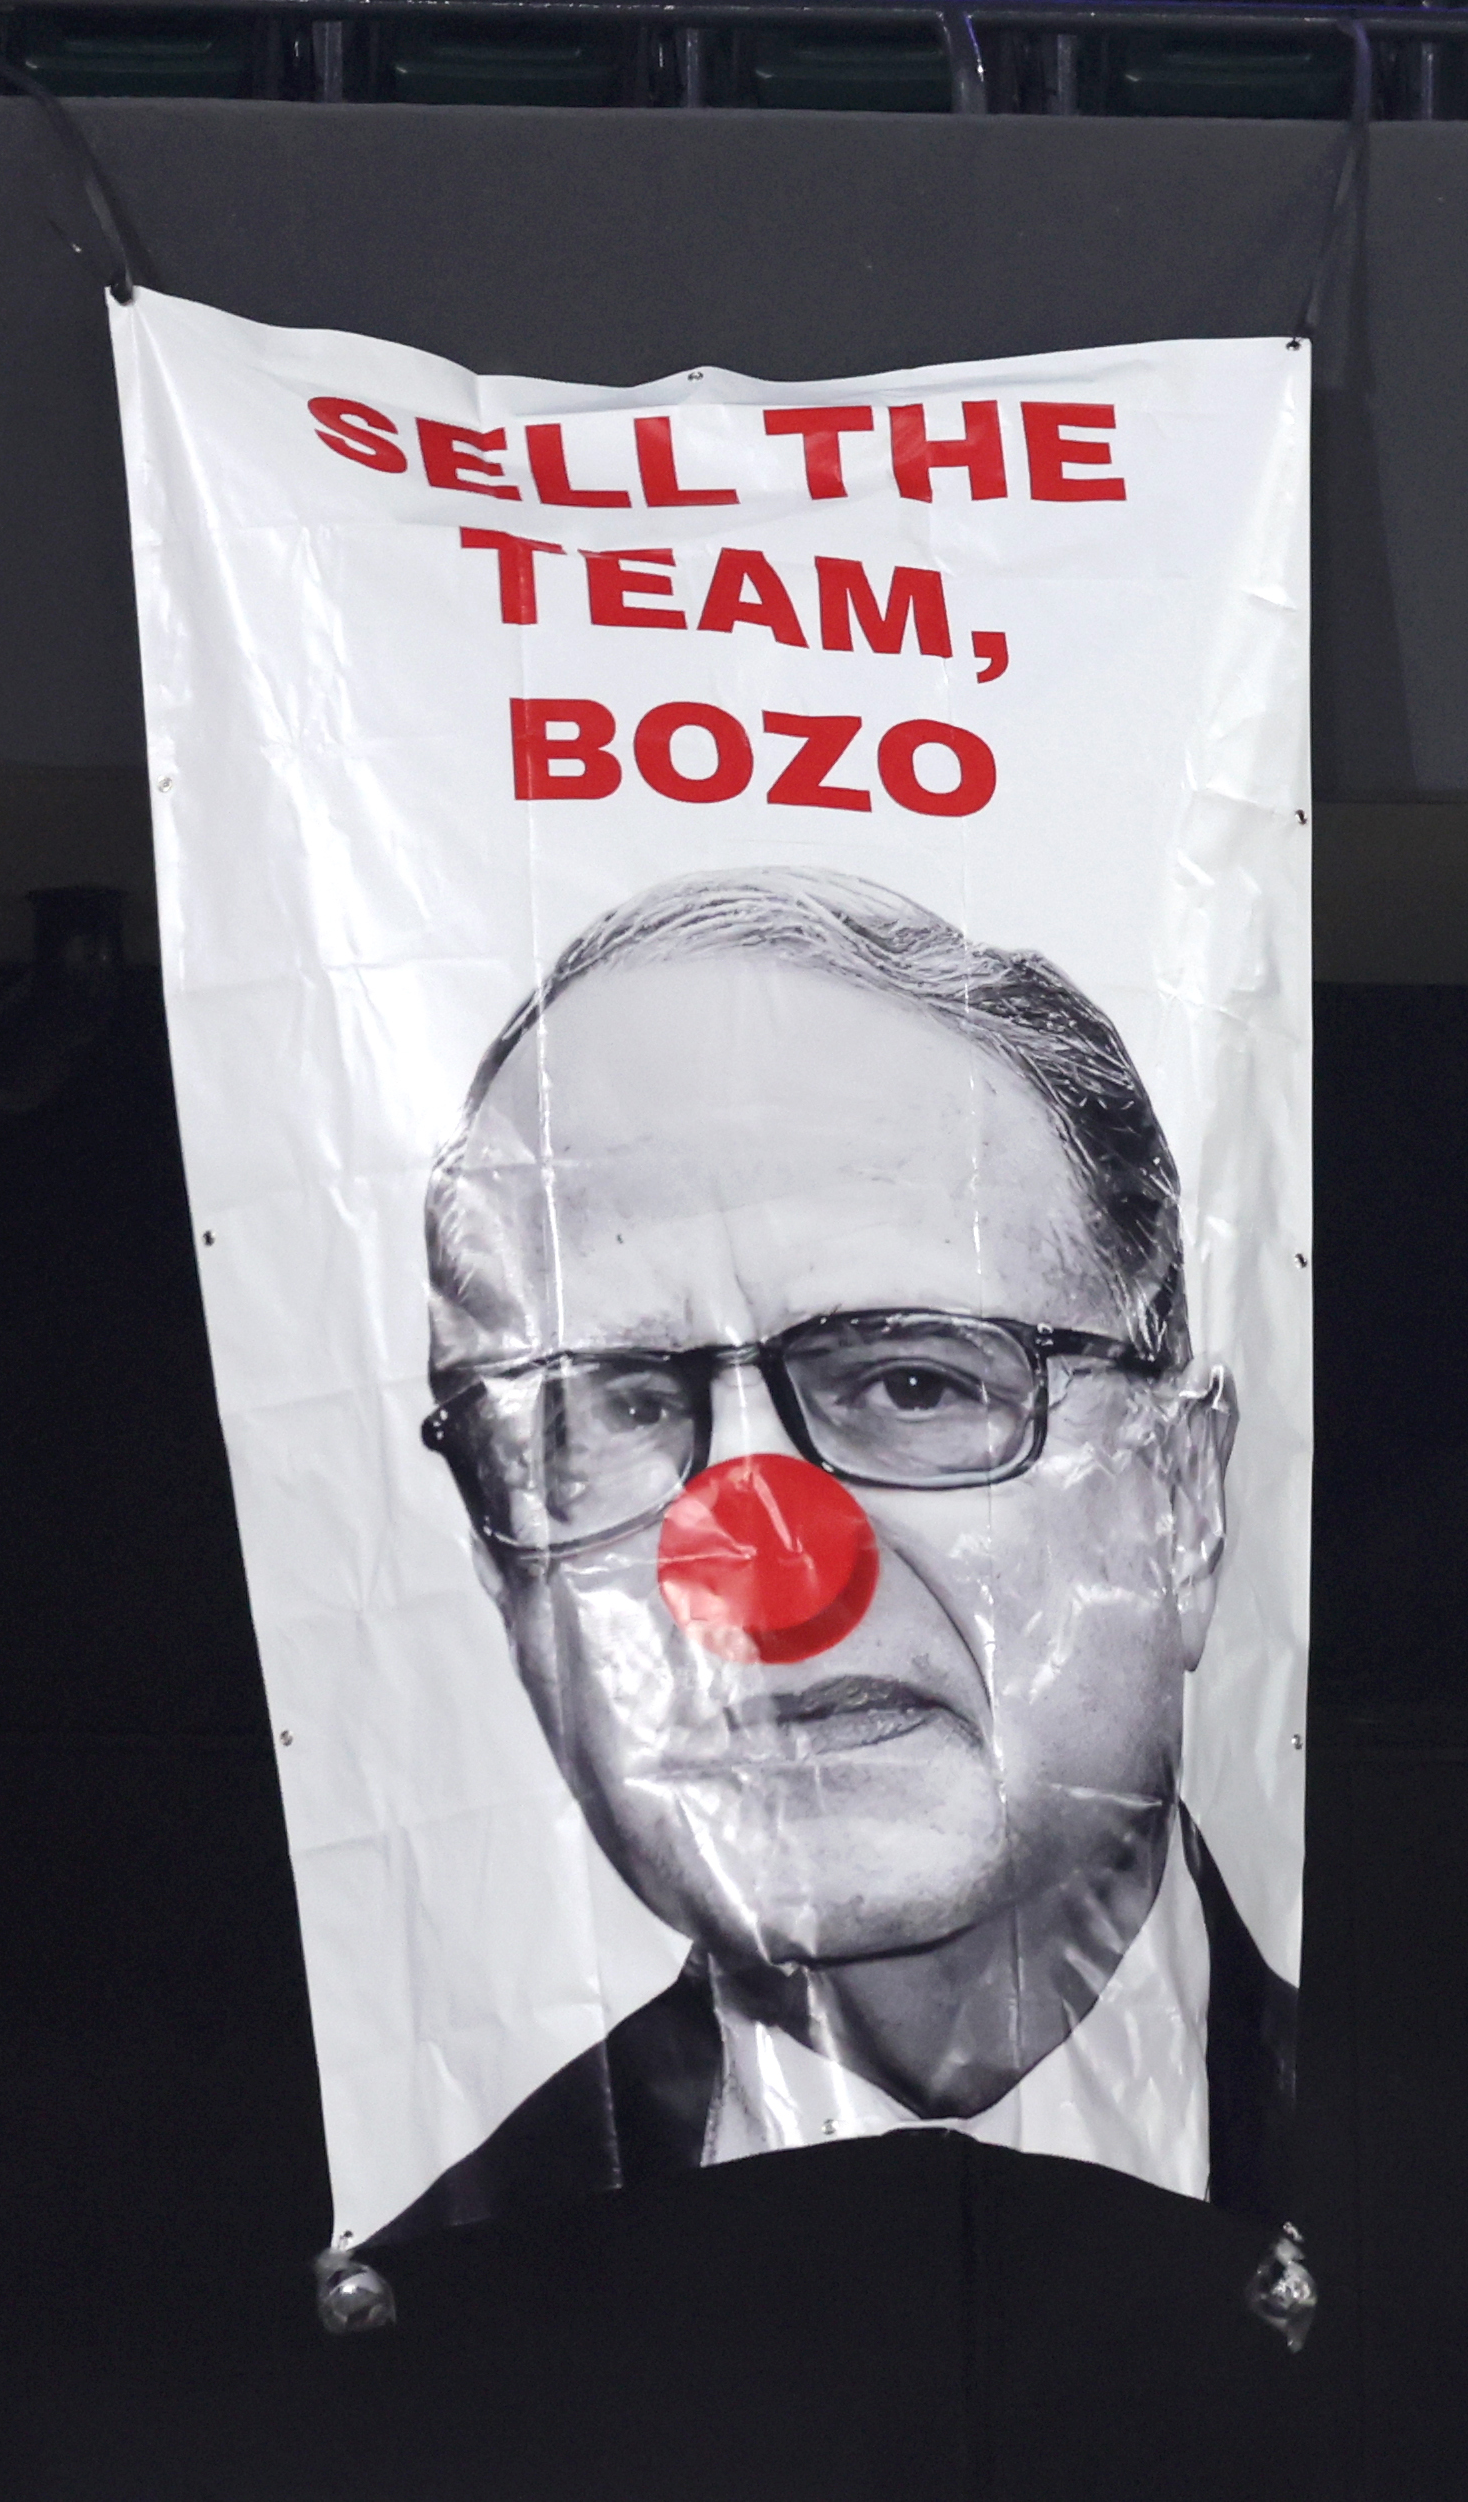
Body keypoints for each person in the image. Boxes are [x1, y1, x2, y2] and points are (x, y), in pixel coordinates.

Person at [381, 869, 1289, 2244]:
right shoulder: (423, 2318)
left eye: (916, 1382)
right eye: (611, 1413)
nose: (757, 1563)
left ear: (1182, 1495)